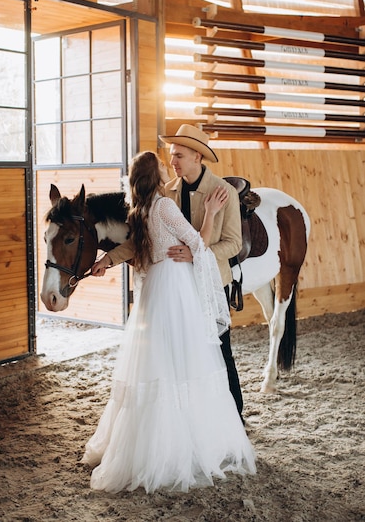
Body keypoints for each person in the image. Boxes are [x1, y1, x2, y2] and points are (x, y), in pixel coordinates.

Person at [81, 151, 256, 493]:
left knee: (157, 364)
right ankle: (187, 441)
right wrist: (210, 213)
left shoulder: (142, 208)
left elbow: (135, 245)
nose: (168, 164)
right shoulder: (164, 206)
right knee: (189, 360)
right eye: (163, 163)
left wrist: (107, 259)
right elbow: (197, 243)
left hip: (155, 290)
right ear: (156, 175)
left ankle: (147, 440)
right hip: (176, 287)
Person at [93, 124, 245, 421]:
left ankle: (234, 416)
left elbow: (234, 243)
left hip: (208, 281)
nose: (173, 161)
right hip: (175, 289)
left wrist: (196, 255)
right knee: (180, 355)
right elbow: (143, 241)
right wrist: (109, 258)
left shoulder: (223, 192)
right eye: (172, 155)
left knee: (219, 350)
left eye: (179, 155)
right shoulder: (166, 194)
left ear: (198, 157)